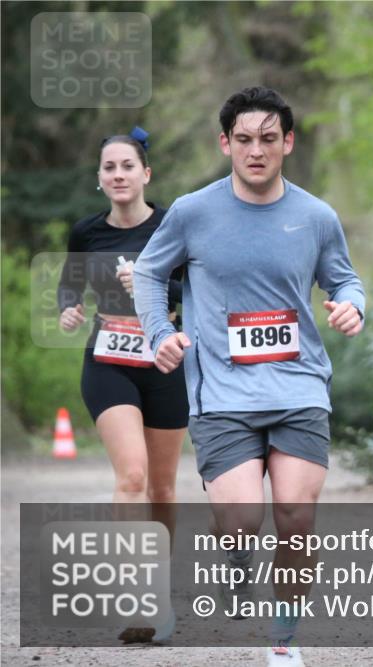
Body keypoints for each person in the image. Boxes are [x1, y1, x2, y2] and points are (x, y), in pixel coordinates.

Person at [133, 86, 365, 667]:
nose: (255, 150)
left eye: (268, 139)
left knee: (296, 514)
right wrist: (161, 335)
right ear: (225, 144)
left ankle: (284, 641)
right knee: (240, 520)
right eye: (243, 140)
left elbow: (344, 280)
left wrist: (351, 306)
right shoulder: (193, 212)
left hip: (299, 385)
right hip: (223, 393)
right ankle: (237, 564)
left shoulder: (315, 216)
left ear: (287, 142)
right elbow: (148, 275)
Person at [57, 127, 187, 643]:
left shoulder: (174, 224)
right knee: (131, 476)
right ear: (100, 179)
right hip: (108, 356)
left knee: (161, 486)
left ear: (145, 174)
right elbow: (70, 283)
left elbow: (197, 284)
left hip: (164, 356)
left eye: (127, 166)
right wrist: (69, 309)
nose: (118, 175)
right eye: (109, 168)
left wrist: (154, 284)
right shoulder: (86, 233)